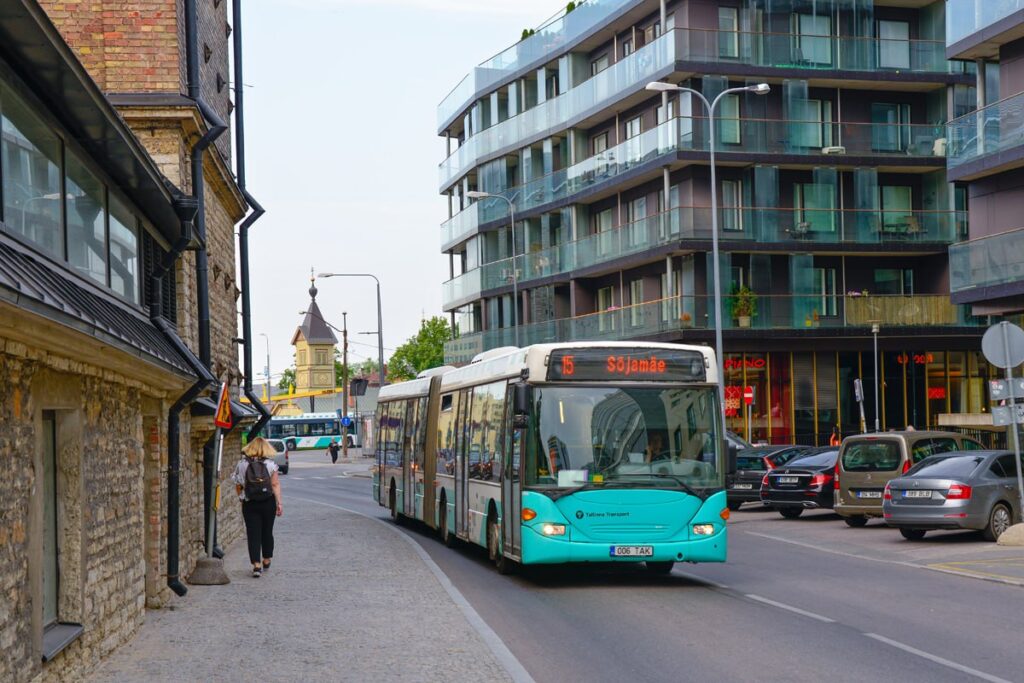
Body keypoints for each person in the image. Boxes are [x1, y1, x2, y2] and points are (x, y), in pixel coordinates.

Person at [233, 437, 283, 577]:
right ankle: (266, 559)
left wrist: (241, 498)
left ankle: (256, 565)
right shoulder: (270, 464)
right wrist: (279, 503)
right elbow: (275, 485)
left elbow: (238, 485)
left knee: (253, 533)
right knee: (267, 531)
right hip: (268, 502)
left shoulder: (242, 464)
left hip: (250, 502)